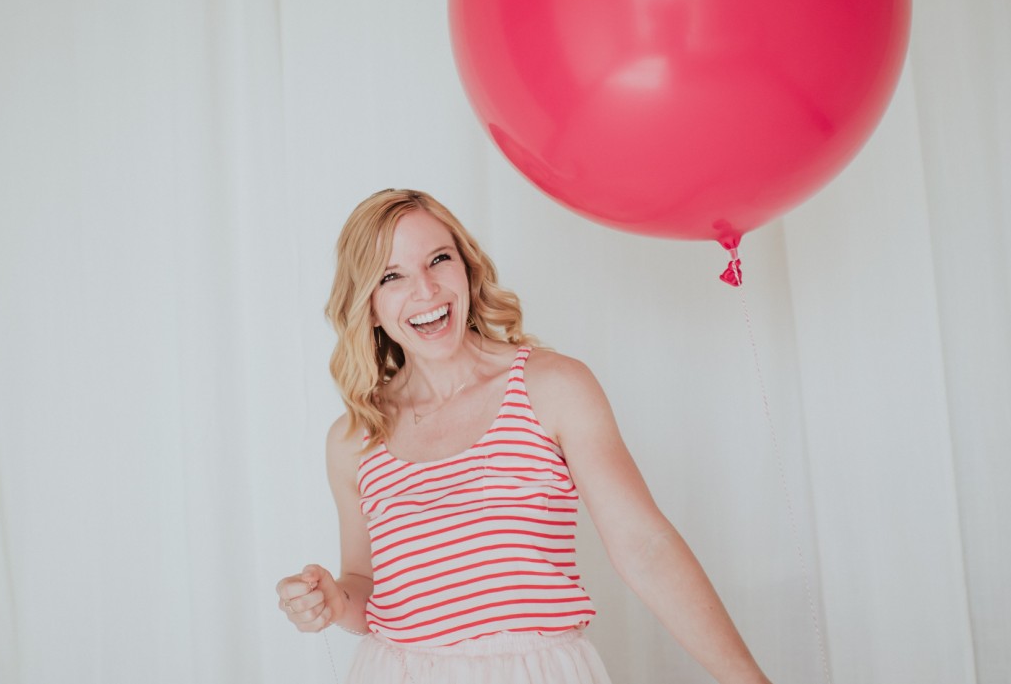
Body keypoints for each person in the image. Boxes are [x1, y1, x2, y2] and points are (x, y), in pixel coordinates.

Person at [276, 188, 771, 683]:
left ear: (467, 267)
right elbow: (367, 586)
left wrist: (748, 680)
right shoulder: (355, 439)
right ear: (369, 305)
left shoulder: (552, 387)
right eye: (392, 276)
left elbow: (645, 548)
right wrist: (334, 601)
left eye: (438, 260)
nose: (425, 290)